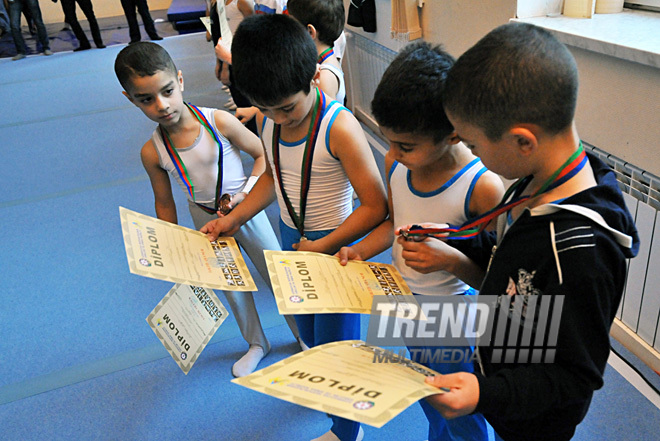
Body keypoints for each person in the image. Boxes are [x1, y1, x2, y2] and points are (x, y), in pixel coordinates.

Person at [417, 23, 639, 441]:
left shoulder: (581, 251)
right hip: (505, 373)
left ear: (522, 142)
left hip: (533, 420)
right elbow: (507, 247)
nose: (473, 157)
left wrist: (487, 391)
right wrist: (454, 237)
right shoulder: (536, 178)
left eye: (475, 146)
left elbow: (576, 375)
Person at [201, 14, 387, 441]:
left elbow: (375, 207)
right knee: (309, 334)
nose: (276, 117)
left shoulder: (339, 127)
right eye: (265, 108)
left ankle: (347, 430)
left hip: (336, 249)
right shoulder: (269, 118)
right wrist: (234, 219)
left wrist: (324, 246)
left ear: (313, 77)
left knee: (338, 347)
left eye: (286, 107)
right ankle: (327, 393)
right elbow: (273, 177)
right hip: (293, 242)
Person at [337, 41, 503, 441]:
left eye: (405, 146)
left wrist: (451, 262)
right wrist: (358, 250)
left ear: (453, 134)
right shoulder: (398, 163)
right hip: (408, 305)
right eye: (388, 140)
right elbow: (394, 222)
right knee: (428, 395)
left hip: (456, 318)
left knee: (463, 410)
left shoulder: (482, 188)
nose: (391, 153)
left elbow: (501, 283)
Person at [114, 41, 301, 377]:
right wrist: (172, 246)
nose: (162, 105)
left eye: (167, 91)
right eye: (146, 99)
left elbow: (263, 156)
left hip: (246, 209)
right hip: (205, 221)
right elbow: (164, 201)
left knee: (278, 276)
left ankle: (304, 336)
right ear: (130, 99)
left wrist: (246, 193)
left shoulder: (219, 121)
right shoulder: (152, 152)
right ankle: (257, 343)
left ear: (180, 80)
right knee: (232, 288)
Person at [235, 0, 346, 125]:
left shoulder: (325, 76)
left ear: (310, 32)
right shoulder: (317, 59)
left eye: (291, 23)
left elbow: (320, 123)